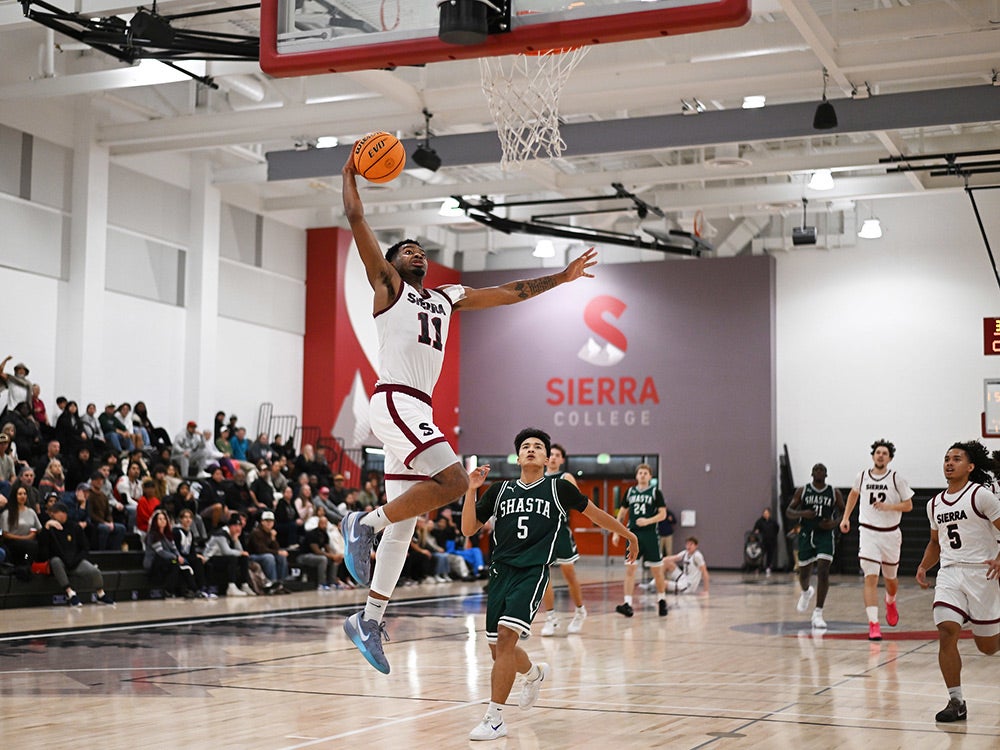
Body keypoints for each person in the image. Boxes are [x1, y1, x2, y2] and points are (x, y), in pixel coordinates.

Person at [337, 149, 599, 672]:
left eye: (420, 251)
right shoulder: (387, 288)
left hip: (414, 408)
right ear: (389, 264)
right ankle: (359, 522)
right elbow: (357, 218)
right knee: (456, 482)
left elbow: (507, 292)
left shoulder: (446, 296)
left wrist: (560, 280)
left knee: (404, 527)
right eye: (406, 250)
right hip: (397, 399)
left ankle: (368, 618)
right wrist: (349, 175)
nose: (417, 254)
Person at [457, 428, 637, 740]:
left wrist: (629, 534)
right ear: (517, 457)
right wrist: (471, 490)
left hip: (532, 571)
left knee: (504, 640)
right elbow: (468, 528)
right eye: (525, 446)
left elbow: (596, 516)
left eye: (537, 447)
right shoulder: (499, 490)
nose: (530, 450)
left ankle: (494, 719)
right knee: (499, 653)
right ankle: (534, 674)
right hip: (500, 572)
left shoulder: (558, 488)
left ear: (546, 458)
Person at [915, 440, 1000, 723]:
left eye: (957, 459)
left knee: (987, 647)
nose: (949, 463)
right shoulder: (934, 504)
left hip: (983, 574)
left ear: (971, 466)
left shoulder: (981, 496)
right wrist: (925, 565)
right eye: (946, 458)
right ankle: (956, 701)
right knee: (947, 629)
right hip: (950, 573)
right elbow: (934, 543)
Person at [840, 439, 914, 641]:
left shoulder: (896, 478)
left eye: (885, 453)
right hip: (868, 532)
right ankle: (873, 624)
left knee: (891, 581)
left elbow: (908, 506)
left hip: (890, 534)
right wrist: (846, 518)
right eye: (878, 452)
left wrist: (888, 507)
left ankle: (891, 600)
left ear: (890, 458)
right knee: (870, 578)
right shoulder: (862, 476)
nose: (881, 455)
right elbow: (853, 495)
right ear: (873, 455)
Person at [538, 442, 588, 636]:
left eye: (557, 455)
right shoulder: (537, 478)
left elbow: (576, 500)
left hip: (560, 531)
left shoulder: (566, 477)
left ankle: (580, 610)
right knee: (544, 576)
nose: (553, 457)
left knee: (569, 574)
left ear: (562, 459)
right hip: (542, 533)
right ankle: (550, 617)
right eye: (550, 454)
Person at [786, 463, 845, 629]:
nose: (819, 472)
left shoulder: (834, 492)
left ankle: (818, 612)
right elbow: (789, 511)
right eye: (816, 470)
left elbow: (843, 511)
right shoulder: (802, 491)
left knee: (823, 571)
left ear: (826, 474)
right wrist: (802, 513)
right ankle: (806, 592)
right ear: (812, 474)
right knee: (804, 572)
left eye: (822, 470)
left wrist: (833, 524)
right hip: (806, 533)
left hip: (825, 535)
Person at [612, 463, 670, 618]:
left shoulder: (655, 492)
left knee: (657, 571)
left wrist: (648, 521)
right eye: (640, 473)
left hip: (650, 535)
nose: (643, 475)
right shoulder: (630, 491)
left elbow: (663, 514)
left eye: (646, 473)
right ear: (636, 476)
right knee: (630, 570)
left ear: (650, 477)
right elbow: (622, 513)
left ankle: (662, 600)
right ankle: (627, 604)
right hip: (633, 535)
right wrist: (616, 532)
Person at [37, 502, 115, 606]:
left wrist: (76, 560)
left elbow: (85, 548)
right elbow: (42, 551)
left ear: (63, 514)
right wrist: (46, 528)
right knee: (55, 561)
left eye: (55, 513)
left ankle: (101, 594)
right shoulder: (48, 528)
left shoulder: (74, 527)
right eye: (51, 513)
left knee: (94, 571)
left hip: (75, 561)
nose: (52, 515)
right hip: (60, 563)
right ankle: (71, 594)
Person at [144, 509, 198, 598]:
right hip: (154, 561)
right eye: (160, 519)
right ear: (155, 521)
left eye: (164, 519)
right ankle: (168, 590)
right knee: (174, 564)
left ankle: (192, 590)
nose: (162, 521)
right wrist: (176, 557)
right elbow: (160, 552)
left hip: (166, 560)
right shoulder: (152, 535)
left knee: (183, 565)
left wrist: (179, 556)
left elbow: (174, 548)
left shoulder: (168, 534)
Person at [204, 513, 255, 597]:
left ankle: (244, 585)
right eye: (235, 526)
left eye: (239, 526)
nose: (238, 529)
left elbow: (241, 551)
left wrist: (236, 540)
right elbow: (226, 551)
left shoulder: (233, 535)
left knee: (244, 558)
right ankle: (231, 586)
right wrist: (240, 553)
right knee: (233, 557)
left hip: (222, 558)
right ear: (230, 526)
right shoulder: (220, 534)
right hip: (210, 558)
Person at [247, 510, 290, 587]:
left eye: (271, 521)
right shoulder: (256, 532)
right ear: (262, 522)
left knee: (281, 557)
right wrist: (277, 552)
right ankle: (272, 582)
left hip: (265, 554)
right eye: (267, 521)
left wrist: (273, 539)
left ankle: (281, 582)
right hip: (253, 556)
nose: (269, 523)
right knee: (269, 557)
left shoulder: (271, 532)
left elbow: (276, 548)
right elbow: (260, 550)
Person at [752, 507, 780, 575]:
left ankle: (768, 567)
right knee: (761, 555)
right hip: (763, 541)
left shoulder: (773, 521)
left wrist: (773, 535)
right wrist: (756, 531)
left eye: (767, 513)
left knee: (770, 555)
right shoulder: (760, 521)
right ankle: (759, 567)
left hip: (771, 541)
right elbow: (755, 529)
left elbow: (777, 528)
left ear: (769, 514)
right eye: (764, 513)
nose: (765, 514)